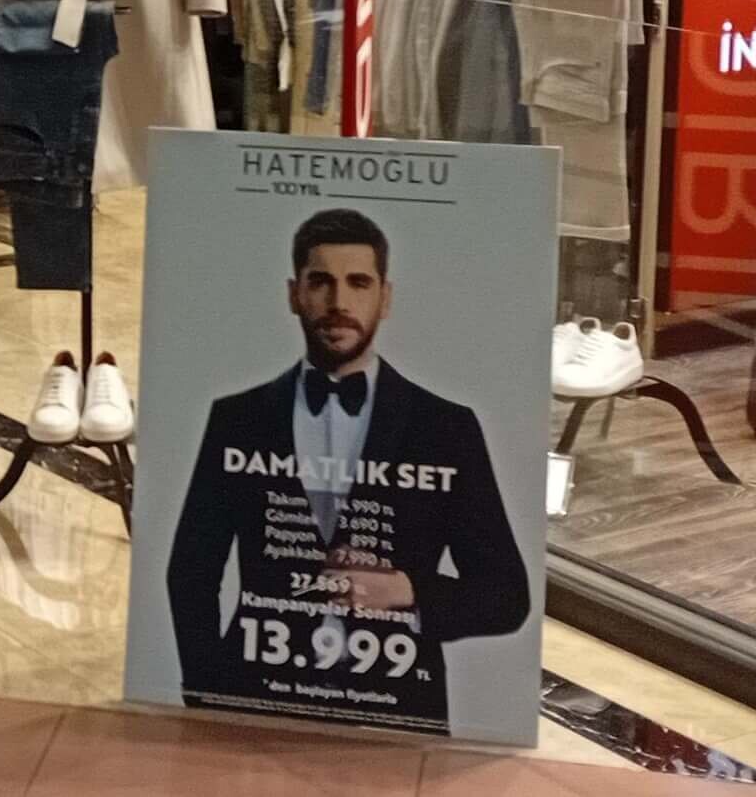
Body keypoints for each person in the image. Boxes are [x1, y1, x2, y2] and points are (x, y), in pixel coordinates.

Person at [164, 207, 530, 732]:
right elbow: (191, 571)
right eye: (321, 282)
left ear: (386, 297)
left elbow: (506, 595)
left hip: (399, 708)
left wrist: (406, 590)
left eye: (359, 283)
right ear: (294, 294)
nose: (339, 303)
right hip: (255, 700)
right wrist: (208, 695)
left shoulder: (447, 427)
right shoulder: (236, 419)